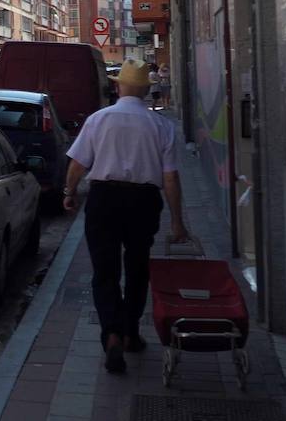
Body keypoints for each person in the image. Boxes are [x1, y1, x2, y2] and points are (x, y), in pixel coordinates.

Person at [63, 59, 188, 374]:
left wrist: (69, 192)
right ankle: (131, 332)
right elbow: (171, 177)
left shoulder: (98, 120)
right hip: (143, 202)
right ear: (146, 91)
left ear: (118, 87)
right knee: (137, 268)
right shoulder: (161, 126)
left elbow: (78, 164)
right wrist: (177, 221)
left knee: (104, 273)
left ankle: (112, 334)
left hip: (104, 199)